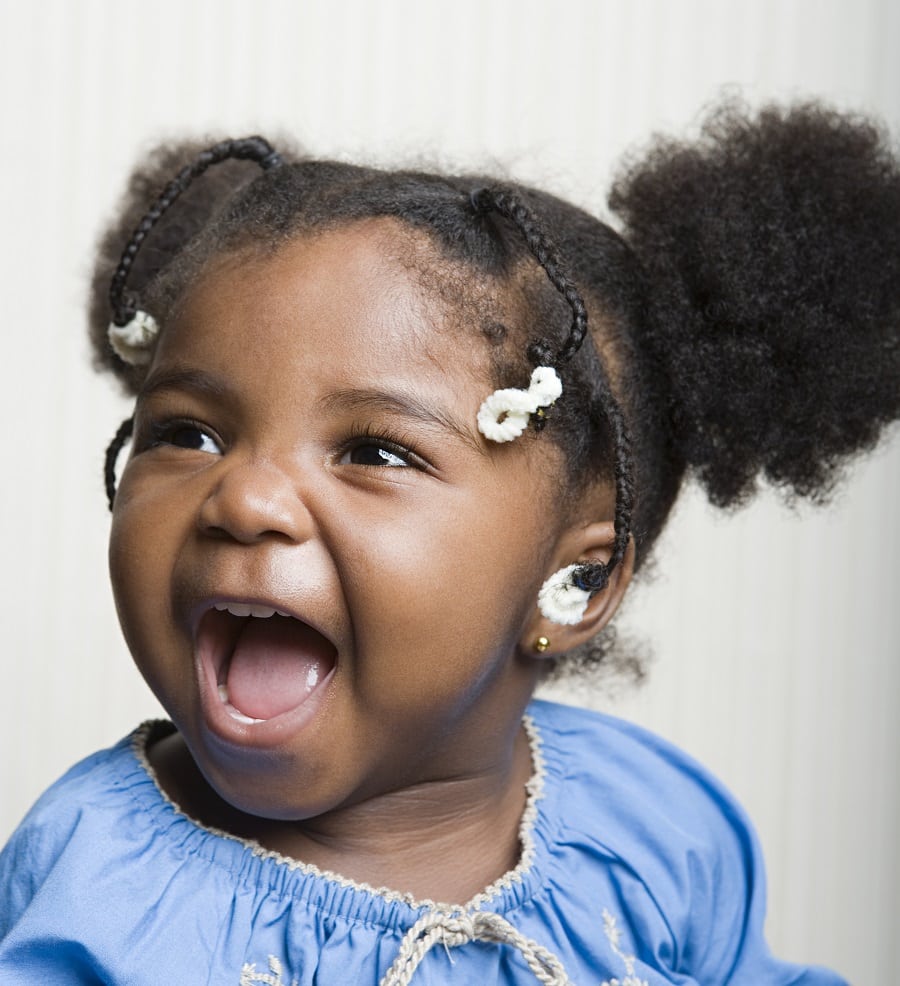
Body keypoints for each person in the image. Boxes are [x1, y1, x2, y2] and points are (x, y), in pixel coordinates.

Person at [0, 99, 897, 985]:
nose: (247, 496)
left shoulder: (651, 826)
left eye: (374, 451)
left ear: (578, 582)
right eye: (188, 434)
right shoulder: (94, 886)